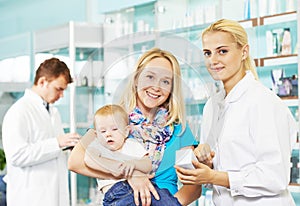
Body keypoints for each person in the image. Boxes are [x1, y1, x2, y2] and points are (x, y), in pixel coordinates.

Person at [175, 19, 297, 206]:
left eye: (222, 51)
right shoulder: (212, 106)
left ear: (244, 52)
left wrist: (215, 176)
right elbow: (220, 171)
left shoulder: (263, 102)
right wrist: (204, 163)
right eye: (207, 53)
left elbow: (275, 176)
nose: (213, 60)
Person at [68, 48, 202, 206]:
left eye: (165, 81)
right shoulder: (111, 120)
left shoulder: (179, 130)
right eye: (150, 77)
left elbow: (193, 186)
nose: (156, 87)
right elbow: (75, 161)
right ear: (137, 79)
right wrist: (129, 174)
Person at [2, 57, 81, 206]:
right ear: (42, 82)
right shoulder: (19, 111)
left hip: (53, 196)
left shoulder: (53, 112)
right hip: (30, 198)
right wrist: (57, 143)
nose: (61, 95)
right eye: (59, 89)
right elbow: (17, 156)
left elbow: (49, 151)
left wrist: (66, 146)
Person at [85, 104, 181, 205]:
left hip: (143, 188)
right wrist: (121, 168)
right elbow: (88, 159)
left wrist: (134, 164)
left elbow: (148, 165)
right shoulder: (98, 148)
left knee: (166, 198)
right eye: (103, 131)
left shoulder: (131, 144)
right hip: (117, 194)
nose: (108, 134)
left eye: (114, 129)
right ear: (96, 135)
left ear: (126, 131)